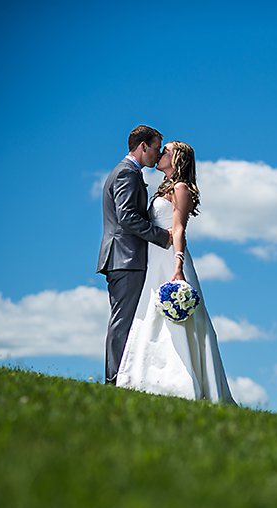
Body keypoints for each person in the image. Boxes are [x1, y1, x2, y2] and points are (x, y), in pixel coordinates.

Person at [115, 140, 236, 404]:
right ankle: (147, 378)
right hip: (155, 259)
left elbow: (179, 229)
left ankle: (184, 381)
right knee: (152, 317)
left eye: (167, 151)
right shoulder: (164, 188)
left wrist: (178, 266)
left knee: (180, 322)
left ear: (178, 158)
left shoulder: (181, 188)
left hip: (170, 258)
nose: (161, 153)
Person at [97, 125, 172, 386]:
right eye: (156, 148)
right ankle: (114, 380)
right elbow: (127, 216)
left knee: (127, 320)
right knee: (123, 321)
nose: (158, 154)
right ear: (143, 146)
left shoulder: (129, 172)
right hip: (125, 258)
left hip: (126, 258)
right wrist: (162, 236)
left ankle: (122, 378)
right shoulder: (126, 173)